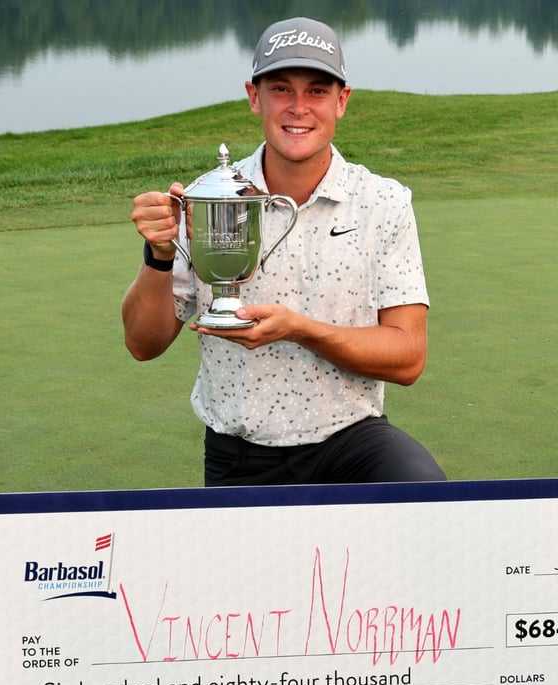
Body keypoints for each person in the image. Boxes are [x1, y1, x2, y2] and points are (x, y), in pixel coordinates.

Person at [123, 17, 446, 487]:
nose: (298, 108)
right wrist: (158, 253)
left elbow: (408, 356)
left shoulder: (384, 202)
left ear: (342, 100)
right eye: (281, 89)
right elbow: (142, 344)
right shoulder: (208, 200)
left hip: (353, 440)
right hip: (240, 454)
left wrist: (299, 330)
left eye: (317, 91)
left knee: (427, 495)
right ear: (254, 97)